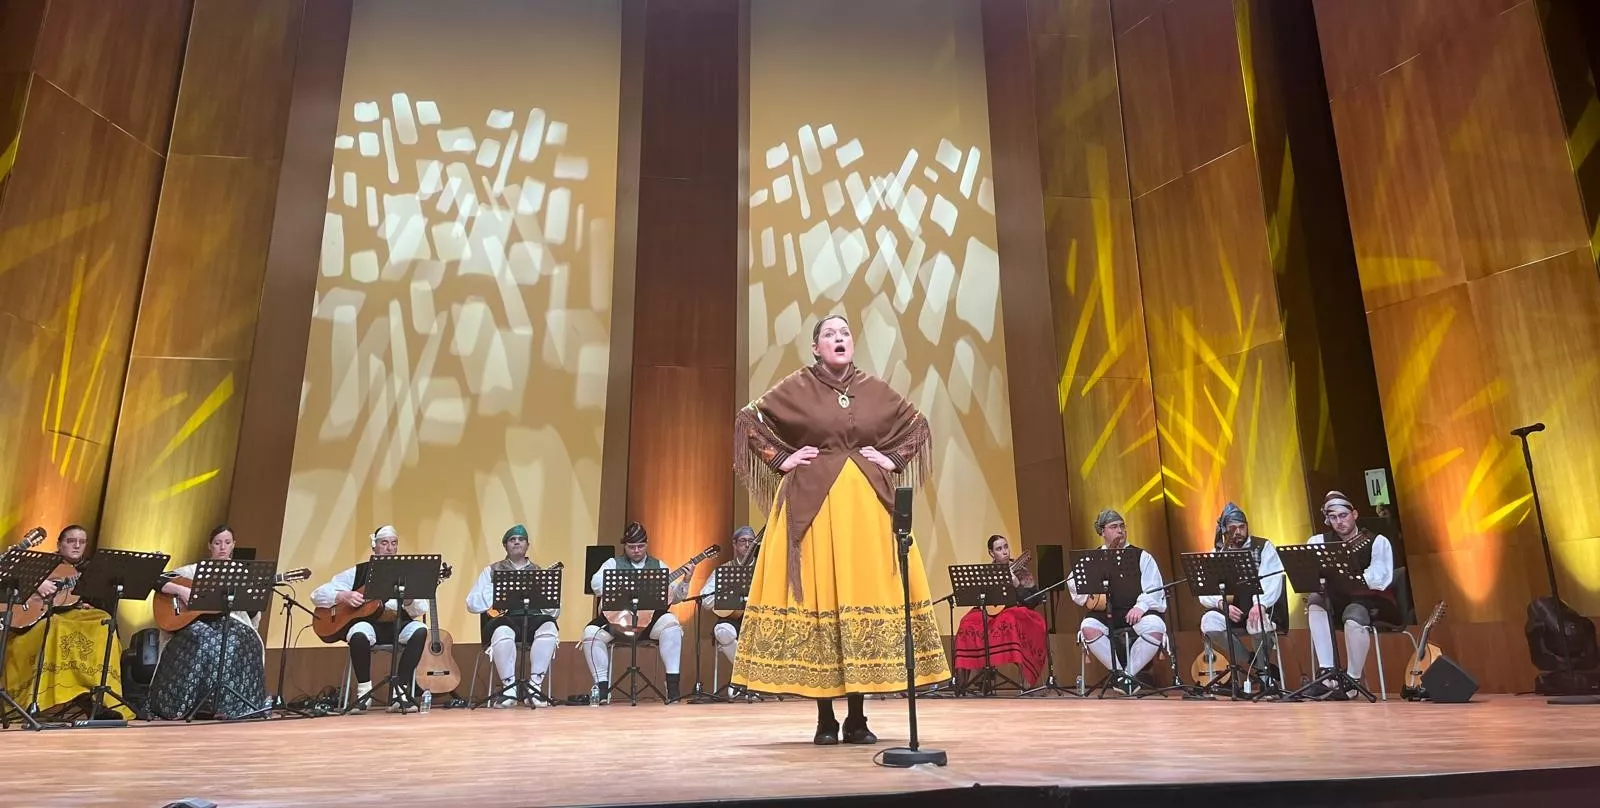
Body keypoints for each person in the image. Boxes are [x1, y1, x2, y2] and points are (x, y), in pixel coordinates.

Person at [731, 313, 948, 745]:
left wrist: (892, 459)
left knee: (859, 595)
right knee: (821, 599)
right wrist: (781, 458)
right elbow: (748, 420)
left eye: (844, 333)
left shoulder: (871, 387)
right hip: (813, 506)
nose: (839, 339)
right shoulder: (797, 386)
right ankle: (825, 719)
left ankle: (858, 718)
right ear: (816, 348)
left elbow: (918, 425)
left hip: (866, 509)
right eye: (829, 334)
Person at [1, 525, 132, 718]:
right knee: (56, 626)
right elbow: (7, 571)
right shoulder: (41, 562)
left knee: (103, 621)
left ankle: (96, 696)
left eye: (82, 542)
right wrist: (37, 583)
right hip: (36, 620)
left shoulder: (90, 569)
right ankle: (43, 699)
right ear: (59, 544)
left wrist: (82, 602)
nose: (77, 546)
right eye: (71, 541)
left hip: (68, 614)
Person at [146, 525, 270, 719]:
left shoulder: (242, 574)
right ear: (210, 546)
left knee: (245, 640)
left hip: (232, 623)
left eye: (227, 543)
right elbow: (156, 579)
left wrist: (249, 595)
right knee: (202, 639)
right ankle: (185, 704)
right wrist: (182, 591)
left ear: (233, 545)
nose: (222, 547)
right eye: (218, 543)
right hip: (196, 624)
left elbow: (252, 611)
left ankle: (231, 705)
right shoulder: (193, 571)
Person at [310, 525, 430, 712]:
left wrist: (408, 600)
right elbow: (317, 595)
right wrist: (343, 596)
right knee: (357, 633)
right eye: (384, 543)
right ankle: (364, 693)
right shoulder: (358, 572)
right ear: (374, 546)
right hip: (369, 626)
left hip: (396, 626)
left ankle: (400, 691)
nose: (390, 548)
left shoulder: (405, 574)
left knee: (420, 630)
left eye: (394, 543)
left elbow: (421, 609)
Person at [581, 522, 689, 703]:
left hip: (649, 625)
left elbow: (676, 598)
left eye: (641, 546)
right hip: (618, 623)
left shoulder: (658, 565)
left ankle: (672, 687)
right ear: (624, 546)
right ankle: (602, 689)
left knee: (672, 624)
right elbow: (596, 585)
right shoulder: (613, 563)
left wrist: (686, 580)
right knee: (590, 633)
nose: (637, 550)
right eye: (632, 547)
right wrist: (627, 584)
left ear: (646, 544)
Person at [1304, 490, 1397, 700]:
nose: (1339, 522)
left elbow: (1380, 577)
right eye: (1333, 517)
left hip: (1368, 600)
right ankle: (1328, 674)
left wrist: (1348, 578)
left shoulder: (1376, 541)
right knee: (1315, 601)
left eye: (1343, 515)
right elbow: (1310, 573)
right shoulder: (1318, 541)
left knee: (1354, 615)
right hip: (1336, 601)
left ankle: (1352, 681)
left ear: (1354, 514)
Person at [1068, 509, 1167, 693]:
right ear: (1102, 531)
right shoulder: (1092, 558)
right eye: (1114, 527)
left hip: (1134, 611)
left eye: (1122, 526)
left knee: (1156, 627)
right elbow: (1074, 582)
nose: (1120, 531)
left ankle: (1127, 675)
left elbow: (1154, 587)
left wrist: (1141, 606)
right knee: (1088, 627)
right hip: (1105, 612)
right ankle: (1121, 674)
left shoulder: (1141, 556)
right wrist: (1090, 597)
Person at [465, 524, 560, 707]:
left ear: (527, 545)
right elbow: (471, 603)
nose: (517, 542)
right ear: (505, 545)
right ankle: (508, 688)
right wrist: (496, 590)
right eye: (512, 539)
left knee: (549, 625)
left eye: (521, 539)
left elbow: (554, 612)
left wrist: (546, 594)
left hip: (531, 620)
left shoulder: (538, 571)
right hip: (504, 619)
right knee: (503, 630)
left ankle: (535, 686)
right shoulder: (491, 570)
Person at [1197, 504, 1284, 692]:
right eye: (1233, 528)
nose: (1238, 532)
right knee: (1208, 622)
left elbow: (1272, 579)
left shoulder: (1263, 547)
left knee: (1257, 621)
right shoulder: (1217, 553)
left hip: (1260, 609)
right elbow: (1205, 592)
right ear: (1224, 530)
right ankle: (1252, 661)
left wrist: (1259, 604)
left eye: (1242, 527)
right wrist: (1222, 605)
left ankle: (1264, 674)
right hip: (1232, 612)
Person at [952, 534, 1047, 687]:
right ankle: (962, 682)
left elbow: (1033, 601)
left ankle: (1026, 681)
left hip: (1014, 611)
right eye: (999, 549)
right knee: (967, 621)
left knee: (1009, 619)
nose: (1004, 551)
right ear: (991, 553)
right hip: (992, 613)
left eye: (1006, 547)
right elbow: (980, 600)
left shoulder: (1021, 571)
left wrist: (1016, 584)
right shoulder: (987, 573)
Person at [699, 525, 759, 694]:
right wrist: (728, 599)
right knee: (722, 631)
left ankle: (749, 682)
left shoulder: (763, 569)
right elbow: (705, 599)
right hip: (732, 618)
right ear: (734, 544)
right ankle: (745, 677)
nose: (747, 545)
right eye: (743, 541)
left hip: (758, 620)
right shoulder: (724, 570)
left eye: (751, 542)